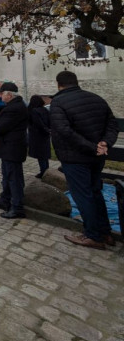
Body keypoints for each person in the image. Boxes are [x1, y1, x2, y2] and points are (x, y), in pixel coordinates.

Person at [50, 70, 119, 250]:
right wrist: (105, 143)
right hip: (96, 157)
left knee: (83, 196)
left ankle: (93, 235)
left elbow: (64, 130)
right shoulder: (97, 99)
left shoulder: (58, 102)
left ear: (59, 84)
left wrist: (92, 146)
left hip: (75, 157)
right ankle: (105, 232)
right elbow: (112, 125)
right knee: (96, 192)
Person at [0, 81, 28, 219]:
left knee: (14, 178)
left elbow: (1, 125)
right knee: (7, 177)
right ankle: (5, 200)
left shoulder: (15, 108)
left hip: (12, 148)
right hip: (7, 148)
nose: (0, 95)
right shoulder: (12, 105)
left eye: (2, 93)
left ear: (8, 95)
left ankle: (17, 207)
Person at [27, 95, 51, 178]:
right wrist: (48, 130)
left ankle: (43, 172)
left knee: (40, 155)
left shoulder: (34, 111)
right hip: (45, 135)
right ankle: (46, 170)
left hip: (37, 135)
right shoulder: (45, 109)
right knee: (45, 155)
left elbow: (38, 123)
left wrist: (45, 129)